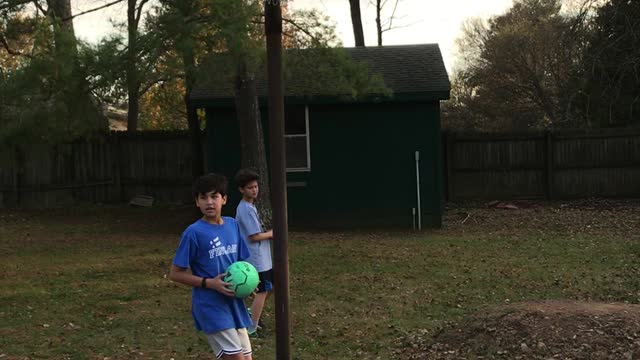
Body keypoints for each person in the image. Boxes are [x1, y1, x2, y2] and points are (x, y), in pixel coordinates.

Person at [169, 173, 254, 360]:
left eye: (214, 196)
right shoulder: (193, 233)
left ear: (224, 199)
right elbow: (175, 274)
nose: (209, 202)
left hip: (234, 304)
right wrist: (210, 283)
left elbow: (242, 263)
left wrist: (250, 282)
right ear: (197, 202)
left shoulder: (233, 225)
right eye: (203, 197)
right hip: (211, 306)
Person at [234, 168, 274, 337]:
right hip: (256, 259)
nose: (254, 190)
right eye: (250, 187)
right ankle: (251, 328)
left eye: (256, 186)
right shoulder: (245, 209)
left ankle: (250, 314)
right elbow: (254, 236)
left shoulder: (250, 206)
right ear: (241, 189)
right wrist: (273, 234)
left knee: (269, 288)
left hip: (263, 257)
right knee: (263, 290)